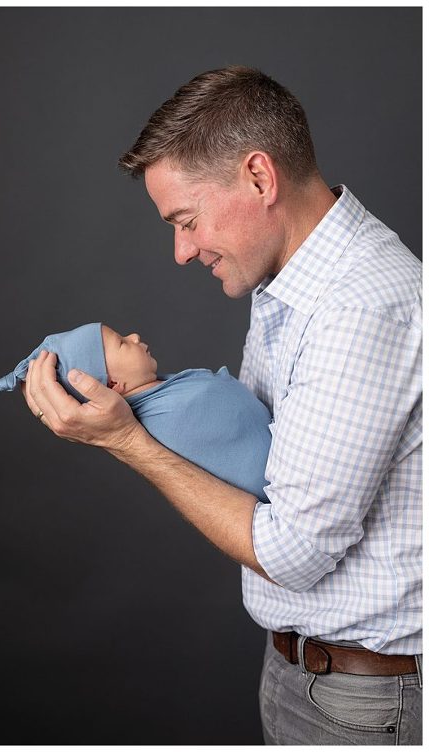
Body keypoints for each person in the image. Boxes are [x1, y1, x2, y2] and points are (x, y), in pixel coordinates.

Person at [23, 66, 422, 744]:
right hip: (304, 673)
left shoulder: (360, 307)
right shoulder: (286, 280)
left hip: (364, 701)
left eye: (187, 220)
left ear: (260, 179)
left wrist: (128, 441)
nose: (180, 252)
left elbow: (293, 551)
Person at [0, 322, 271, 501]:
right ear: (112, 384)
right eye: (123, 344)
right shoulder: (166, 419)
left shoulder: (163, 391)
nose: (135, 337)